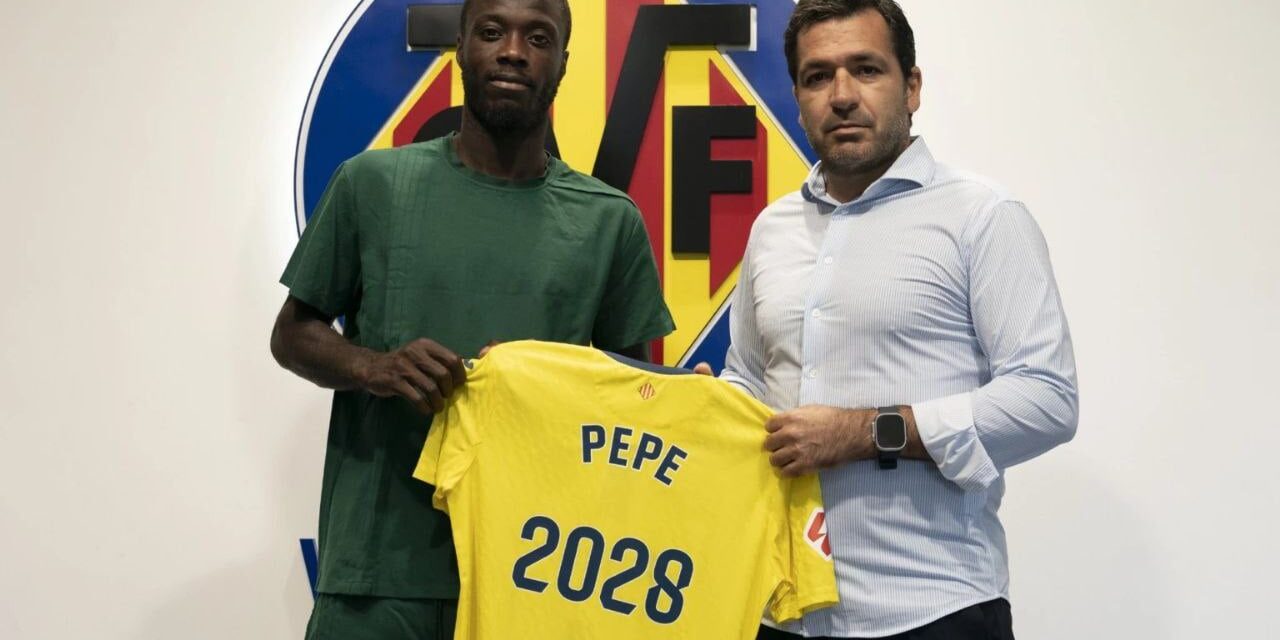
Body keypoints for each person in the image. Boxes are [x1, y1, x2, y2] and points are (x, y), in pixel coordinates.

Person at [270, 0, 674, 637]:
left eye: (537, 37)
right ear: (460, 46)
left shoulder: (608, 221)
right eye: (491, 32)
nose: (513, 51)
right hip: (378, 574)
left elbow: (632, 396)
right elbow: (292, 334)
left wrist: (683, 399)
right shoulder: (371, 185)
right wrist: (374, 366)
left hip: (535, 575)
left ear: (563, 62)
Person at [718, 1, 1079, 638]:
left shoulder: (982, 217)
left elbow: (1046, 400)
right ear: (797, 99)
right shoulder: (771, 229)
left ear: (911, 87)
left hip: (933, 610)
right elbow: (748, 376)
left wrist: (866, 432)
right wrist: (713, 408)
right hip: (782, 609)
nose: (842, 95)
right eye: (818, 76)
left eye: (866, 69)